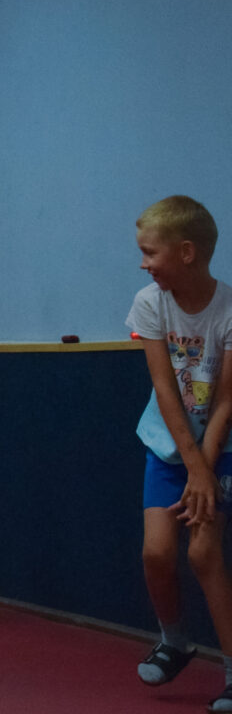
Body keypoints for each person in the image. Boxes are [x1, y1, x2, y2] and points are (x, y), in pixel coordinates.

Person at [127, 196, 232, 711]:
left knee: (203, 553)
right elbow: (166, 389)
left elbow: (227, 399)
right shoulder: (150, 303)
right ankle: (175, 642)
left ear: (187, 252)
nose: (143, 263)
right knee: (157, 553)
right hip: (170, 449)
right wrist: (190, 466)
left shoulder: (229, 309)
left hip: (220, 449)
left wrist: (205, 470)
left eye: (150, 252)